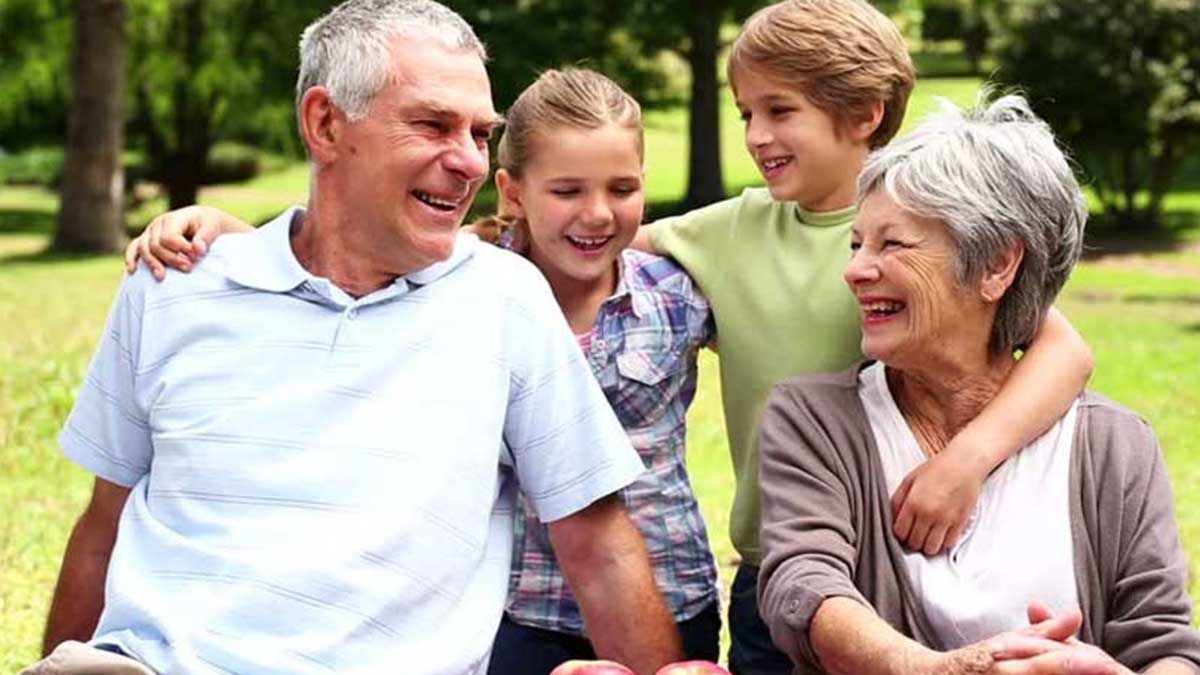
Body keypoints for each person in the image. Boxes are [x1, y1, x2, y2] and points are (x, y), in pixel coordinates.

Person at [121, 2, 1096, 672]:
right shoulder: (713, 238)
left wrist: (965, 462)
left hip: (896, 556)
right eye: (746, 110)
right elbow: (419, 231)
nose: (756, 134)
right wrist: (232, 230)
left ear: (866, 116)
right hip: (747, 577)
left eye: (779, 111)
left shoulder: (918, 240)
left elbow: (1061, 347)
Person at [28, 2, 685, 674]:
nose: (468, 163)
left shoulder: (506, 299)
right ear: (325, 123)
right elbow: (103, 522)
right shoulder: (173, 285)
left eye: (480, 135)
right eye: (433, 125)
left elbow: (597, 542)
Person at [757, 95, 1200, 675]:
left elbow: (1164, 646)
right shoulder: (814, 418)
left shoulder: (1113, 445)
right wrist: (936, 671)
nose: (856, 269)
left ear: (996, 266)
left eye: (891, 244)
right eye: (856, 243)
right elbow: (803, 590)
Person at [472, 69, 720, 672]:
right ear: (512, 191)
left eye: (622, 188)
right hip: (520, 613)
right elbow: (350, 261)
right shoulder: (469, 295)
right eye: (567, 191)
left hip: (673, 598)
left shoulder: (680, 295)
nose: (598, 214)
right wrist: (227, 232)